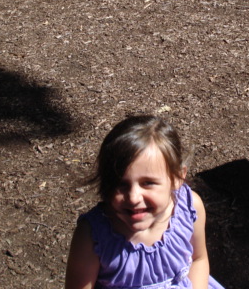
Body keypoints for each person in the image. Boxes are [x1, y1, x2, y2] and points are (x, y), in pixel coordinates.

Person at [65, 115, 225, 289]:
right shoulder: (92, 236)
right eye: (120, 184)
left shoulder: (190, 207)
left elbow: (198, 259)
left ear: (177, 178)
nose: (133, 198)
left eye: (148, 183)